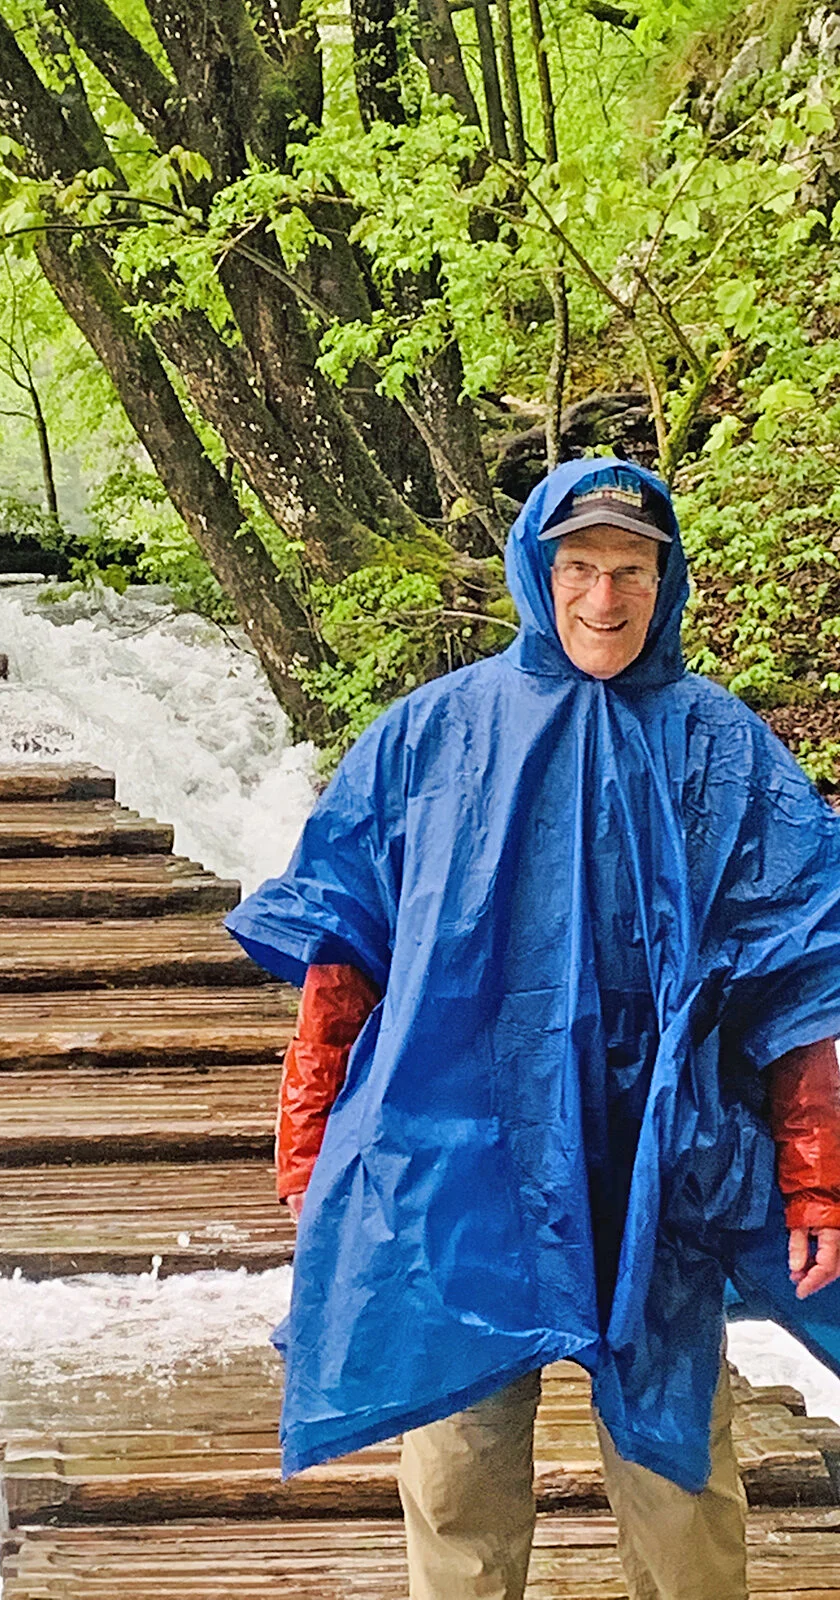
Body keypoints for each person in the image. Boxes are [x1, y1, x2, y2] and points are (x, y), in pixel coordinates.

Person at [225, 459, 840, 1600]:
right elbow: (341, 957)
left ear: (668, 582)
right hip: (461, 1157)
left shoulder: (725, 754)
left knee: (681, 1475)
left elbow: (796, 989)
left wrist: (815, 1185)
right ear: (536, 573)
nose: (605, 599)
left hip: (655, 1163)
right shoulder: (432, 739)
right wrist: (311, 1151)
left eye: (631, 571)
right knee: (459, 1472)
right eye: (581, 569)